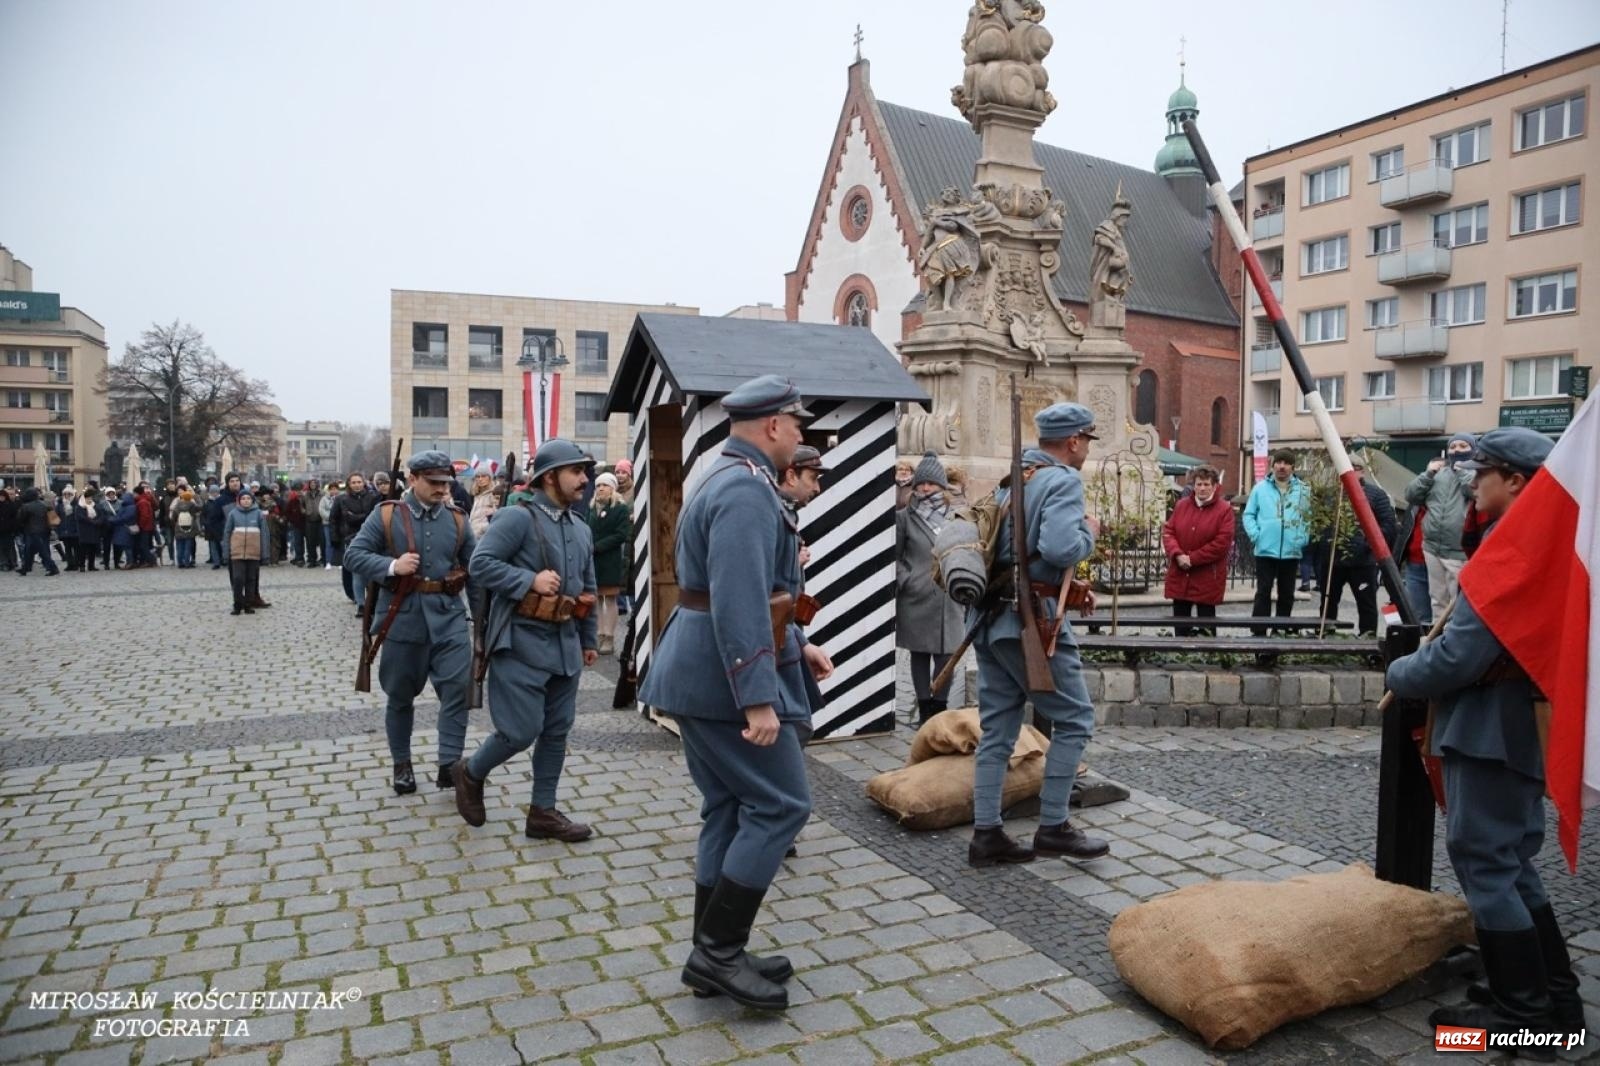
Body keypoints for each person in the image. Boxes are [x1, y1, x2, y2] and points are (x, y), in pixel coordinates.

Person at [637, 375, 833, 1011]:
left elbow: (763, 590)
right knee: (782, 806)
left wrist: (796, 641)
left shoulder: (729, 478)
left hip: (700, 670)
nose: (802, 436)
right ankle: (717, 952)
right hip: (722, 682)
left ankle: (710, 950)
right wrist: (757, 696)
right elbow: (739, 598)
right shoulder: (747, 492)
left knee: (727, 805)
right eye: (798, 426)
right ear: (773, 426)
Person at [1386, 427, 1583, 1045]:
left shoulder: (1513, 550)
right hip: (1518, 725)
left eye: (1485, 472)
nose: (1473, 482)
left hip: (1492, 728)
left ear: (1516, 481)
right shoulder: (1544, 541)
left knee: (1486, 863)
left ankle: (1524, 1022)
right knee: (1511, 861)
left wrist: (1400, 669)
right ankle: (1552, 1001)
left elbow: (1460, 658)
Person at [969, 402, 1104, 869]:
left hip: (991, 618)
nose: (1086, 448)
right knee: (1075, 720)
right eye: (1086, 440)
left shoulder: (1014, 480)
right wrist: (1090, 533)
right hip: (1032, 619)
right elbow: (1060, 548)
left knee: (998, 728)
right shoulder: (1062, 480)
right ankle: (1053, 827)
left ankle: (986, 834)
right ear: (1072, 441)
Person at [453, 439, 598, 839]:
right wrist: (527, 579)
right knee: (519, 731)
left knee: (556, 731)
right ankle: (470, 771)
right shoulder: (518, 519)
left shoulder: (580, 528)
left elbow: (588, 589)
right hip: (519, 643)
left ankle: (543, 812)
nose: (584, 479)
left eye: (585, 471)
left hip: (565, 645)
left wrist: (588, 640)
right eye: (576, 471)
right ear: (550, 477)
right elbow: (480, 564)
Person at [345, 451, 476, 797]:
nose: (440, 489)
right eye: (433, 482)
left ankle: (450, 765)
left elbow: (476, 569)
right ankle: (402, 763)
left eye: (445, 483)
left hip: (449, 618)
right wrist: (392, 566)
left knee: (456, 692)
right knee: (400, 696)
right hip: (402, 619)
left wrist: (482, 623)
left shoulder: (459, 519)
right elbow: (353, 555)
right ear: (413, 479)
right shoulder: (386, 515)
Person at [896, 452, 965, 723]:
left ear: (941, 486)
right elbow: (897, 557)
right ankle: (925, 709)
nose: (925, 488)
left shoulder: (957, 516)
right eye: (921, 483)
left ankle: (940, 706)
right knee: (920, 653)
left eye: (931, 484)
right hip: (917, 596)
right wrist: (908, 579)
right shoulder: (904, 518)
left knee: (948, 656)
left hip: (950, 597)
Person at [1317, 460, 1397, 636]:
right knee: (1328, 601)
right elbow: (1318, 523)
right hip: (1333, 560)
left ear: (1363, 472)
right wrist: (1325, 544)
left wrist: (1367, 543)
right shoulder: (1330, 494)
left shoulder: (1376, 495)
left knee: (1366, 603)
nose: (1351, 473)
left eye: (1356, 469)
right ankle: (1325, 635)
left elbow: (1388, 525)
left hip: (1363, 561)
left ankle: (1367, 638)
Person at [1404, 431, 1475, 618]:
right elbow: (1411, 495)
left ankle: (1455, 643)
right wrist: (1428, 473)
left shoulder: (1477, 474)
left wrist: (1462, 472)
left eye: (1462, 446)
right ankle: (1438, 640)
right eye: (1452, 447)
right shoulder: (1438, 474)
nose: (1457, 450)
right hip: (1432, 548)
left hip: (1459, 551)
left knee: (1458, 603)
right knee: (1437, 600)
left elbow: (1474, 492)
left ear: (1472, 450)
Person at [1161, 465, 1235, 637]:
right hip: (1180, 573)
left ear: (1215, 486)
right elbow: (1169, 532)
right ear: (1193, 485)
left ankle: (1208, 656)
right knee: (1180, 620)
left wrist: (1192, 559)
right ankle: (1181, 652)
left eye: (1206, 484)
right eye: (1199, 484)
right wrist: (1178, 554)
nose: (1202, 488)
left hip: (1207, 575)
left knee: (1206, 622)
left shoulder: (1224, 510)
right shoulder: (1181, 505)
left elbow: (1221, 543)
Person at [1242, 450, 1310, 630]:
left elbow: (1309, 517)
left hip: (1291, 550)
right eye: (1278, 462)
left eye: (1286, 463)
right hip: (1265, 550)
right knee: (1263, 592)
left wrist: (1302, 538)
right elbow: (1248, 514)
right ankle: (1258, 631)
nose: (1282, 466)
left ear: (1293, 467)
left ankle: (1281, 630)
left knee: (1287, 594)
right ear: (1272, 466)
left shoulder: (1303, 490)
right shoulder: (1260, 488)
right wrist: (1256, 535)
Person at [587, 472, 630, 655]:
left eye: (604, 485)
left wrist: (598, 546)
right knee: (595, 599)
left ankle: (609, 637)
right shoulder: (591, 509)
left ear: (612, 488)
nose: (600, 488)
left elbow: (621, 534)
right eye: (598, 485)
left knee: (610, 599)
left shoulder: (620, 508)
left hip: (610, 559)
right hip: (593, 559)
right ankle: (598, 634)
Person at [331, 473, 380, 610]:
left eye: (359, 482)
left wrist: (355, 516)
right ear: (349, 484)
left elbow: (373, 516)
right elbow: (336, 518)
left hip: (371, 537)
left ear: (363, 483)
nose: (357, 485)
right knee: (353, 570)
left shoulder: (373, 497)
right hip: (349, 537)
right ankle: (359, 601)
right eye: (354, 482)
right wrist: (334, 536)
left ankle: (370, 598)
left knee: (370, 569)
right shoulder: (341, 499)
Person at [222, 488, 266, 614]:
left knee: (251, 579)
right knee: (238, 578)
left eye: (248, 499)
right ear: (239, 501)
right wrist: (226, 552)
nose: (246, 501)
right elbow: (227, 533)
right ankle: (237, 603)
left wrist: (265, 554)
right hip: (237, 552)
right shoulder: (233, 514)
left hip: (253, 552)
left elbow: (264, 534)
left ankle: (248, 604)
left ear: (252, 500)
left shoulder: (258, 514)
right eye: (243, 499)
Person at [16, 487, 59, 576]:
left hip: (32, 531)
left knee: (33, 551)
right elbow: (53, 518)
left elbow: (20, 519)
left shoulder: (26, 506)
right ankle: (25, 568)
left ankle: (53, 568)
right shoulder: (45, 505)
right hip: (45, 531)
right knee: (38, 550)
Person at [170, 487, 203, 569]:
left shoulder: (177, 505)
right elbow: (200, 507)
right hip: (189, 528)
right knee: (187, 546)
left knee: (179, 546)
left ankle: (180, 562)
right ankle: (187, 562)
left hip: (179, 528)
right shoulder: (192, 505)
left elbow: (173, 517)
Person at [75, 486, 103, 571]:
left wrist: (98, 521)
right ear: (84, 498)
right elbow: (80, 517)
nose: (90, 499)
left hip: (94, 531)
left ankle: (91, 565)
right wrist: (92, 522)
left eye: (91, 497)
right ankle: (82, 565)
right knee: (83, 550)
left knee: (92, 549)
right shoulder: (80, 507)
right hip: (84, 530)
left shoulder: (95, 506)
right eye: (88, 498)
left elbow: (101, 515)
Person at [201, 484, 228, 569]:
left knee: (222, 545)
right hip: (210, 528)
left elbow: (225, 514)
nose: (214, 494)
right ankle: (216, 562)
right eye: (212, 492)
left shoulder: (222, 501)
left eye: (216, 492)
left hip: (221, 527)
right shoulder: (207, 503)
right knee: (213, 546)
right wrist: (205, 524)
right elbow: (203, 515)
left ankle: (224, 560)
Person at [0, 486, 19, 571]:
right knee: (1, 548)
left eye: (3, 496)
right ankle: (4, 563)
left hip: (9, 530)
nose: (1, 498)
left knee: (10, 547)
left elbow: (15, 519)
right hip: (1, 531)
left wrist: (13, 529)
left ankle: (12, 562)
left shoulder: (11, 505)